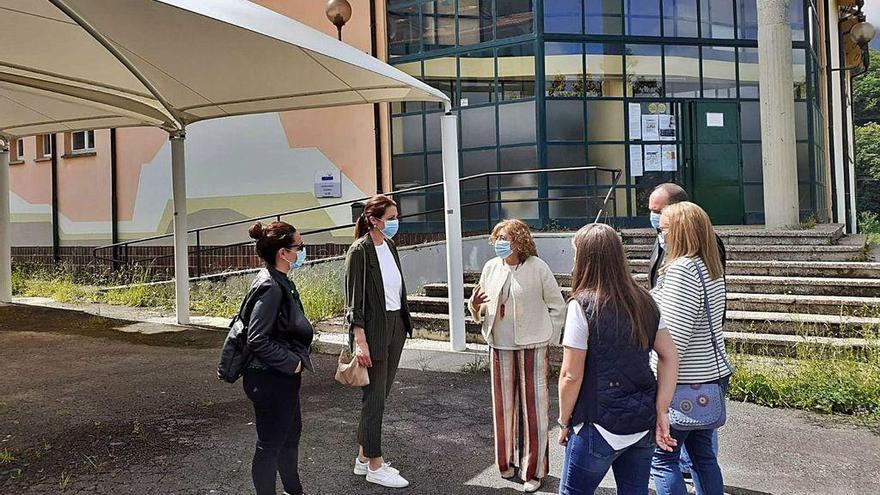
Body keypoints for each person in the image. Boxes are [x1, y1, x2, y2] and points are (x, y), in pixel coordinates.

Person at [557, 223, 679, 495]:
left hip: (596, 424)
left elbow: (570, 375)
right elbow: (670, 356)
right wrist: (662, 409)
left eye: (576, 253)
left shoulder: (581, 305)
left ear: (585, 258)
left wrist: (565, 420)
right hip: (641, 421)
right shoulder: (646, 301)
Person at [468, 219, 566, 493]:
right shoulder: (491, 267)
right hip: (499, 346)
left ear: (519, 240)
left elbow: (558, 307)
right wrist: (475, 307)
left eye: (505, 237)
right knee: (503, 408)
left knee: (534, 410)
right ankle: (506, 463)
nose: (500, 242)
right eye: (497, 236)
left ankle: (533, 472)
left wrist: (548, 336)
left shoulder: (538, 268)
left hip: (532, 346)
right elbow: (481, 305)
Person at [650, 202, 734, 495]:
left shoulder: (682, 270)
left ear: (680, 231)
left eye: (664, 229)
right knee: (702, 457)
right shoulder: (708, 265)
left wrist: (652, 376)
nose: (661, 235)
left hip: (684, 380)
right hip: (711, 374)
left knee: (663, 459)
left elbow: (673, 339)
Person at [344, 194, 413, 489]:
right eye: (391, 217)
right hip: (374, 329)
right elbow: (354, 299)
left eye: (397, 217)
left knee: (379, 396)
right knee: (374, 399)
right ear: (374, 220)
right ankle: (375, 463)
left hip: (396, 323)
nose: (395, 222)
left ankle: (363, 457)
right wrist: (360, 339)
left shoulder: (391, 245)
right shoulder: (360, 251)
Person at [243, 221, 313, 495]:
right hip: (270, 379)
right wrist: (291, 363)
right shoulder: (271, 286)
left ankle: (294, 490)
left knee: (289, 437)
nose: (303, 251)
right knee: (270, 444)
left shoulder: (279, 280)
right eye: (299, 247)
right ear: (283, 253)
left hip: (281, 379)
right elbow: (256, 337)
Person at [647, 183, 726, 288]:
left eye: (657, 211)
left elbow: (712, 284)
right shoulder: (661, 236)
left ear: (678, 209)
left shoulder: (705, 240)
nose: (654, 216)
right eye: (651, 210)